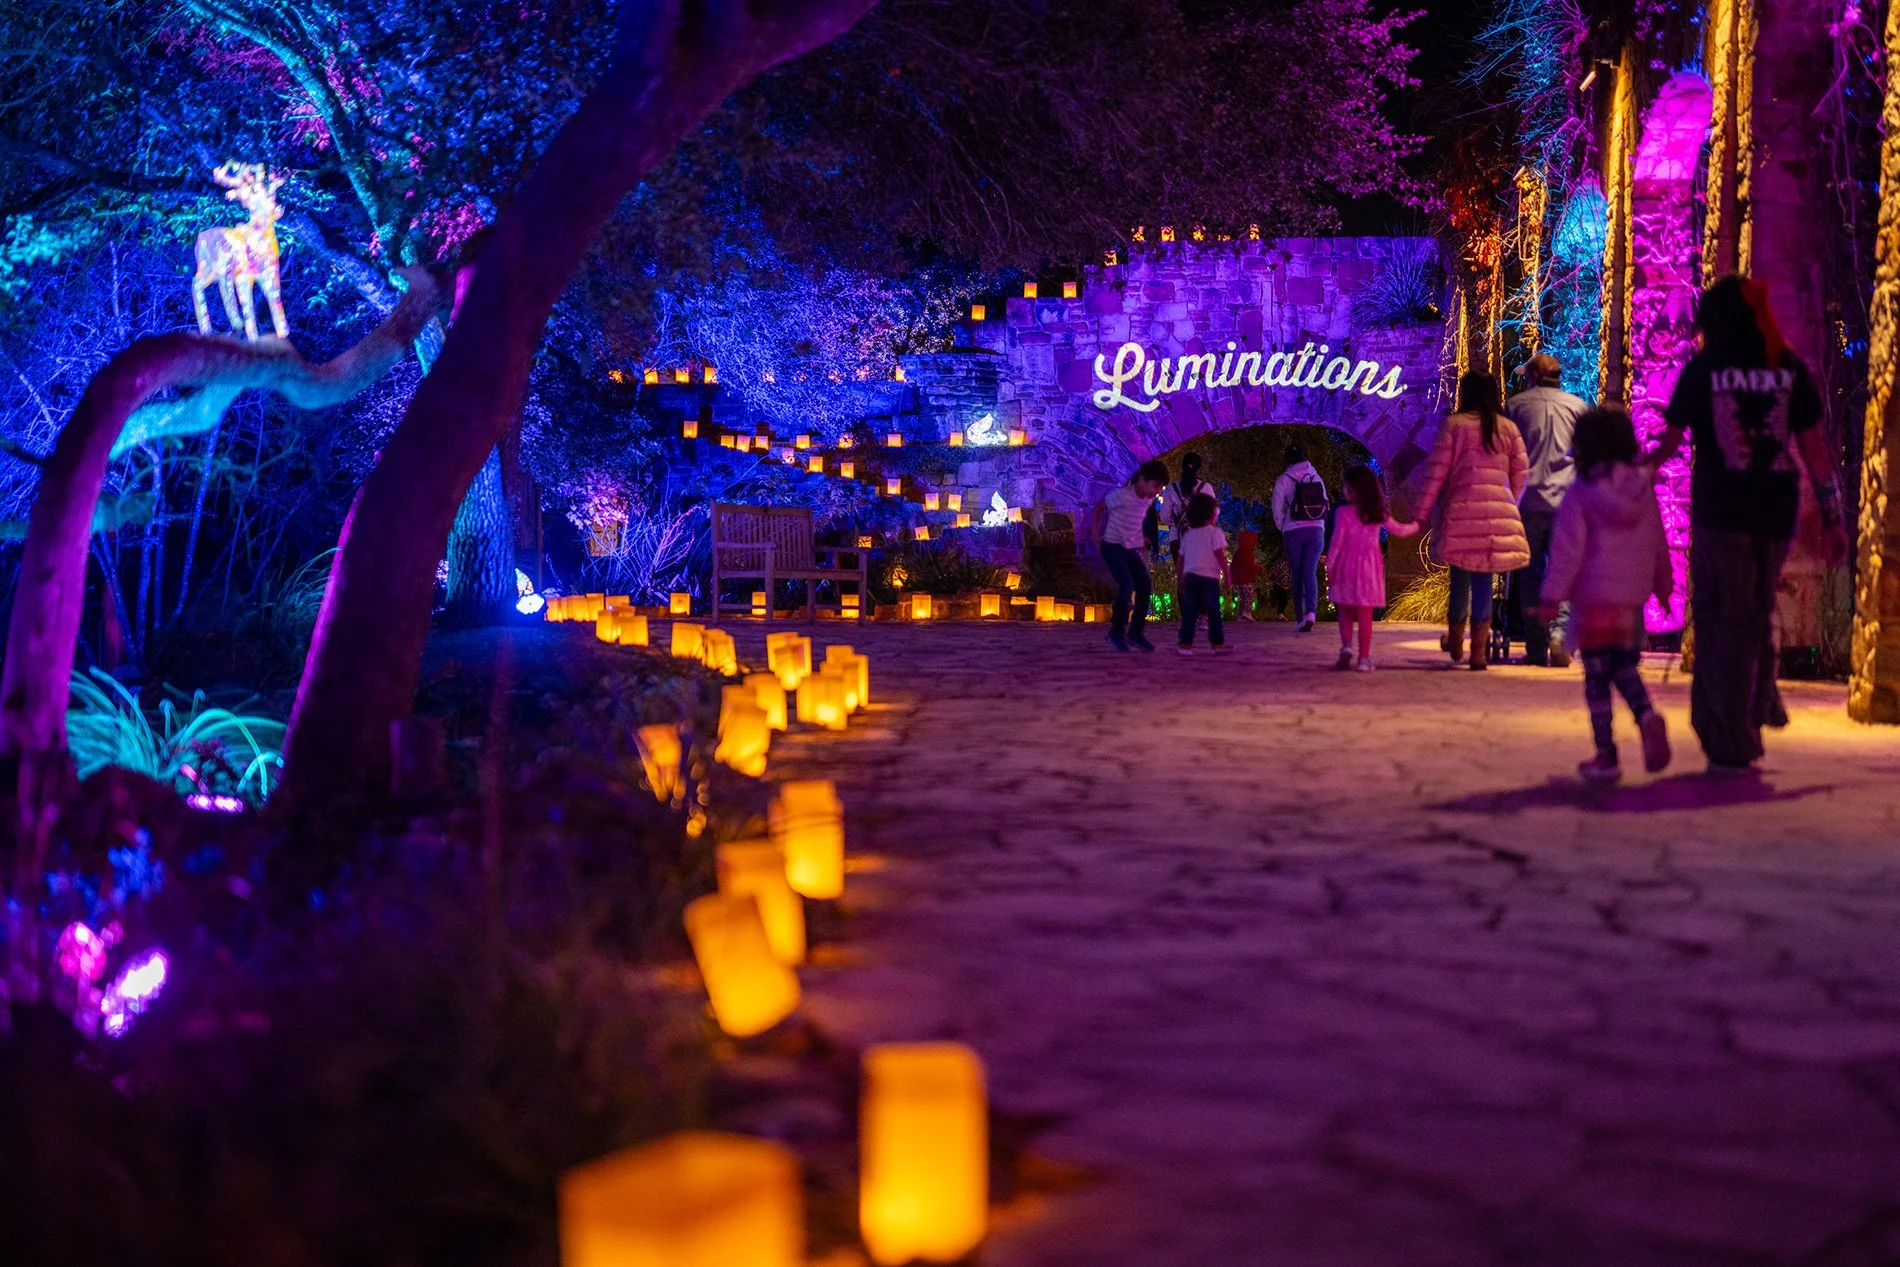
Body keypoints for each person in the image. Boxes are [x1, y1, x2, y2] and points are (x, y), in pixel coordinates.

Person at [1656, 276, 1850, 775]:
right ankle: (1758, 703)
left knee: (1724, 618)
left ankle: (1732, 732)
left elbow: (1672, 442)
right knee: (1756, 609)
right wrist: (1832, 519)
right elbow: (1814, 453)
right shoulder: (1787, 369)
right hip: (1774, 510)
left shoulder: (1705, 368)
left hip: (1723, 508)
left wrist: (1634, 466)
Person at [1537, 408, 1674, 784]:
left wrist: (1552, 595)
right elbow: (1658, 542)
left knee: (1598, 679)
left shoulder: (1581, 494)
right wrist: (1664, 586)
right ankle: (1645, 715)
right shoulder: (1642, 490)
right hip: (1631, 601)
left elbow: (1568, 551)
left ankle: (1606, 754)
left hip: (1595, 599)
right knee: (1624, 667)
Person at [1406, 371, 1530, 670]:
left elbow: (1436, 473)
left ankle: (1456, 642)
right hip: (1496, 516)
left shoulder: (1455, 426)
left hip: (1462, 513)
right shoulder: (1507, 428)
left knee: (1459, 581)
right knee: (1485, 581)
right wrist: (1508, 501)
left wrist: (1420, 514)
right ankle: (1478, 653)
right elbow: (1522, 473)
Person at [1506, 352, 1586, 667]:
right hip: (1568, 501)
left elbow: (1508, 455)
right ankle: (1561, 636)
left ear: (1533, 376)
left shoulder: (1516, 407)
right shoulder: (1578, 408)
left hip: (1528, 501)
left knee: (1530, 574)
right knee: (1565, 571)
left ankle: (1536, 645)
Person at [1326, 465, 1418, 672]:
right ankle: (1364, 658)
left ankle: (1347, 646)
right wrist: (1417, 525)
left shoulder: (1343, 513)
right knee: (1365, 614)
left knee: (1346, 610)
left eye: (1346, 486)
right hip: (1368, 570)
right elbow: (1400, 530)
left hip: (1346, 568)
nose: (1343, 490)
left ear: (1355, 489)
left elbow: (1336, 543)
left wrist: (1330, 567)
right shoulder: (1378, 514)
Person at [1093, 460, 1168, 653]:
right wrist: (1095, 535)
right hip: (1112, 547)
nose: (1156, 492)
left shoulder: (1148, 500)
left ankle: (1135, 633)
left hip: (1128, 549)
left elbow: (1132, 518)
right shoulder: (1121, 496)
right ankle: (1116, 632)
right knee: (1126, 584)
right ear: (1142, 479)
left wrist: (1140, 538)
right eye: (1155, 486)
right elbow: (1100, 507)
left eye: (1159, 488)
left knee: (1144, 584)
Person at [1272, 443, 1329, 631]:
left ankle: (1299, 616)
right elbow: (1325, 503)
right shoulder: (1316, 476)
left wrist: (1282, 526)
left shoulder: (1283, 479)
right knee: (1310, 571)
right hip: (1316, 530)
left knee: (1296, 574)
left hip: (1293, 530)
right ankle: (1311, 612)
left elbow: (1277, 508)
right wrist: (1319, 525)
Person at [1176, 492, 1231, 655]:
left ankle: (1185, 645)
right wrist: (1227, 575)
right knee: (1213, 611)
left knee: (1189, 611)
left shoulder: (1188, 535)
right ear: (1211, 514)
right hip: (1210, 579)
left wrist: (1180, 578)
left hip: (1191, 577)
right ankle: (1217, 644)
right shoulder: (1215, 533)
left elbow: (1181, 559)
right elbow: (1220, 557)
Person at [1161, 452, 1216, 561]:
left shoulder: (1171, 489)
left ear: (1182, 466)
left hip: (1177, 538)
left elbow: (1164, 517)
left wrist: (1177, 522)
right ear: (1198, 468)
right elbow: (1215, 513)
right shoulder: (1206, 488)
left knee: (1182, 576)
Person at [1231, 527, 1260, 620]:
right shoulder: (1248, 554)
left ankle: (1240, 614)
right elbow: (1250, 566)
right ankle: (1246, 612)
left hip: (1239, 580)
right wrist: (1259, 569)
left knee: (1242, 597)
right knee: (1249, 596)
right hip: (1246, 578)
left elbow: (1233, 566)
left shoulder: (1238, 553)